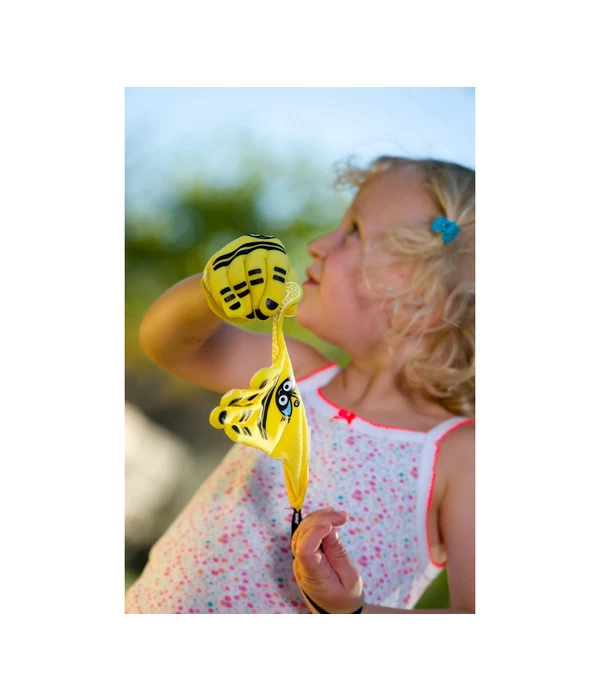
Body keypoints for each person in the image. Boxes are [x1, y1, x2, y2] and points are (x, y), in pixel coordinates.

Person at [125, 155, 475, 614]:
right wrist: (212, 291)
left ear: (421, 300)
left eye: (353, 231)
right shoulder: (294, 371)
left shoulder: (458, 455)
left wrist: (351, 612)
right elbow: (168, 345)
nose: (318, 244)